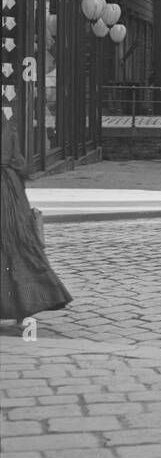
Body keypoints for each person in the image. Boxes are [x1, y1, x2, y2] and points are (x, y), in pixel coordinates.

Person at [1, 116, 72, 322]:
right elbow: (19, 162)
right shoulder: (7, 126)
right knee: (19, 245)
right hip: (10, 191)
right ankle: (24, 308)